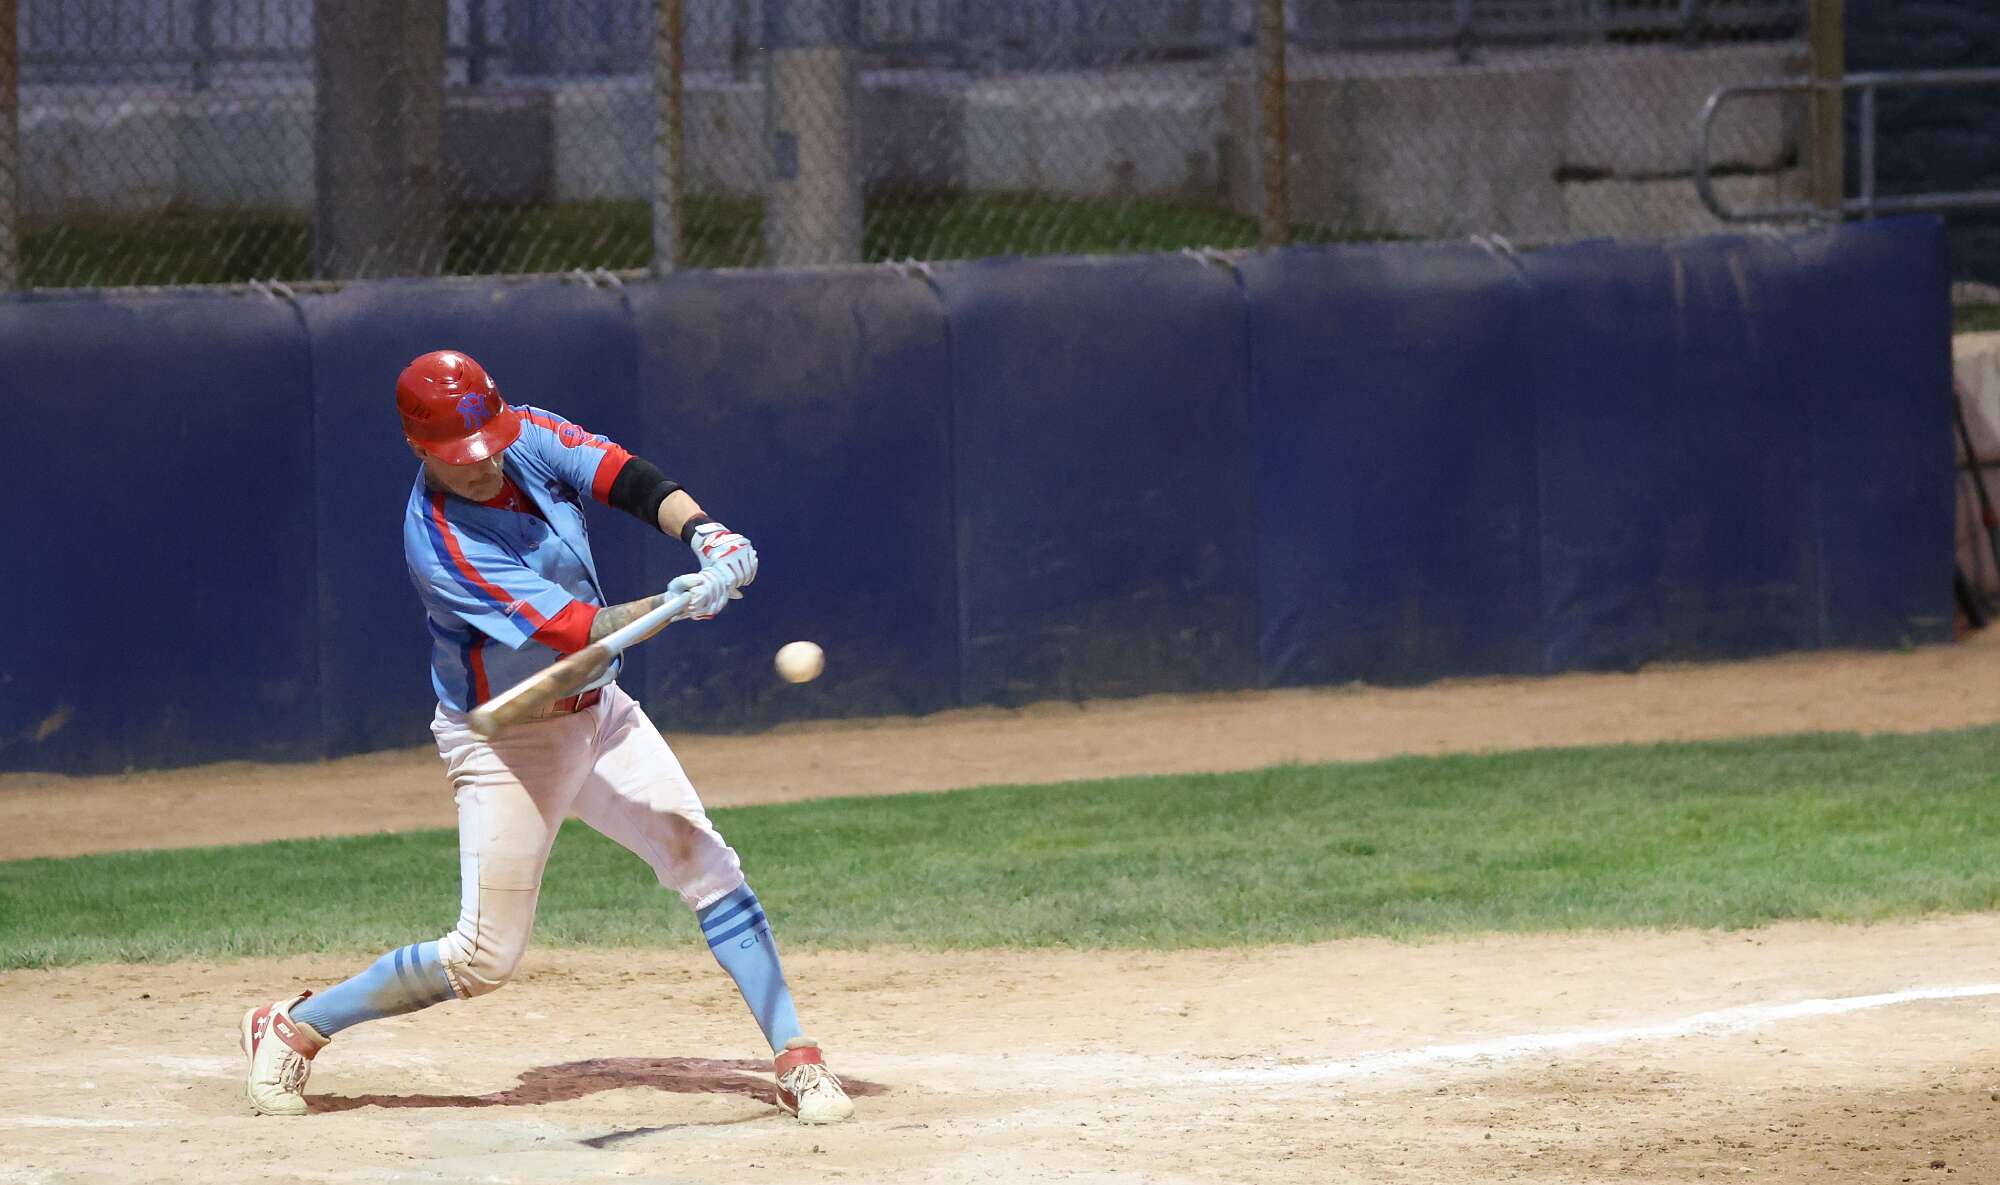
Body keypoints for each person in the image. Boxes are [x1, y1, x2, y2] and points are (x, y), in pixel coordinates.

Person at [238, 349, 853, 1124]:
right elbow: (580, 631)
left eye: (491, 442)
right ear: (418, 448)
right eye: (463, 456)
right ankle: (296, 1024)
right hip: (510, 740)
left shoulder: (526, 433)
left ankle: (796, 1055)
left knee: (705, 860)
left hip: (600, 709)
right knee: (483, 957)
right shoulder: (440, 541)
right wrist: (681, 601)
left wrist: (706, 534)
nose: (485, 463)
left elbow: (626, 478)